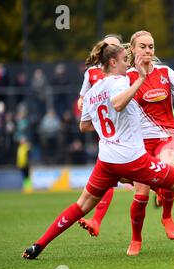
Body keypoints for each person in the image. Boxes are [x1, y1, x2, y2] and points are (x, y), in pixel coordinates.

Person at [22, 43, 174, 259]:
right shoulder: (120, 82)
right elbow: (118, 103)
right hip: (132, 159)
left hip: (106, 161)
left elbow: (84, 126)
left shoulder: (92, 92)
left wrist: (109, 127)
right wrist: (140, 79)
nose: (127, 62)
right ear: (113, 62)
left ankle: (38, 245)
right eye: (124, 59)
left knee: (82, 205)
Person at [80, 30, 174, 255]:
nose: (148, 50)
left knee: (168, 168)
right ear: (132, 50)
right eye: (143, 47)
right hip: (137, 144)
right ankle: (136, 240)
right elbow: (109, 103)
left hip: (166, 135)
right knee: (141, 195)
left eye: (151, 46)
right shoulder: (123, 78)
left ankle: (167, 216)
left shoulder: (165, 72)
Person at [75, 34, 122, 237]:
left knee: (133, 179)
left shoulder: (127, 71)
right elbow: (82, 98)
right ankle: (96, 220)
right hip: (110, 136)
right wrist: (83, 103)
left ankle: (164, 197)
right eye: (108, 46)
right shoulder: (92, 73)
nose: (111, 49)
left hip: (131, 132)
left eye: (115, 46)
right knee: (112, 178)